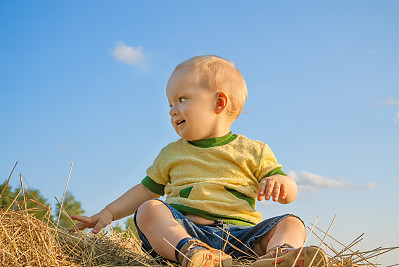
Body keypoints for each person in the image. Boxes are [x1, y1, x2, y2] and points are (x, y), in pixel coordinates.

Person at [71, 55, 327, 267]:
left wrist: (281, 183)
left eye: (182, 99)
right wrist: (108, 213)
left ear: (219, 102)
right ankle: (192, 254)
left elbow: (289, 193)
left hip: (243, 238)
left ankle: (279, 256)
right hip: (185, 231)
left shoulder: (254, 150)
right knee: (149, 209)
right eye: (170, 103)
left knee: (291, 222)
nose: (172, 110)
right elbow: (145, 190)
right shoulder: (171, 153)